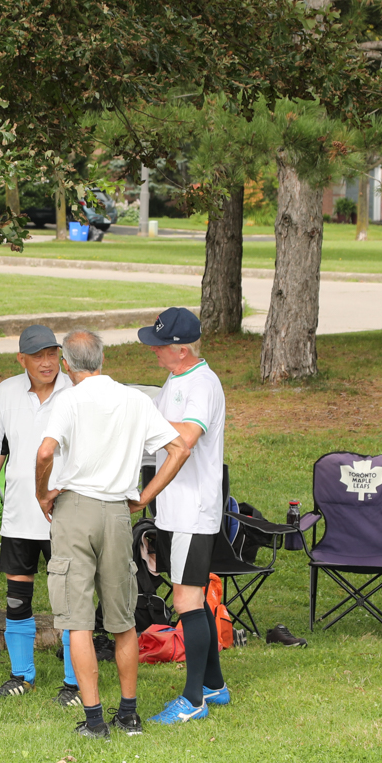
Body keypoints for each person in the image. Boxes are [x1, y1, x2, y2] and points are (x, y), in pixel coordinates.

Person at [35, 329, 189, 739]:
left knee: (79, 621)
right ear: (102, 360)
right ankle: (129, 715)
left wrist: (41, 493)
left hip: (75, 508)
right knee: (123, 620)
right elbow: (179, 449)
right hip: (118, 512)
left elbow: (46, 452)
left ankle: (94, 720)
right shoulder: (135, 399)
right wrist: (145, 497)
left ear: (66, 365)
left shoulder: (68, 400)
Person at [136, 307, 231, 724]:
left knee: (186, 600)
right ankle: (214, 684)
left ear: (181, 349)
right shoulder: (175, 379)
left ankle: (193, 700)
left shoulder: (203, 384)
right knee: (192, 597)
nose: (153, 350)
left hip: (193, 510)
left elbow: (186, 437)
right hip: (173, 511)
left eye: (159, 344)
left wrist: (143, 424)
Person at [0, 325, 75, 700]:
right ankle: (21, 676)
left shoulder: (76, 390)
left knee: (70, 602)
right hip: (19, 514)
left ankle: (74, 682)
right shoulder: (5, 391)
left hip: (66, 513)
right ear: (21, 360)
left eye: (52, 354)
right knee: (17, 598)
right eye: (38, 356)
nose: (47, 363)